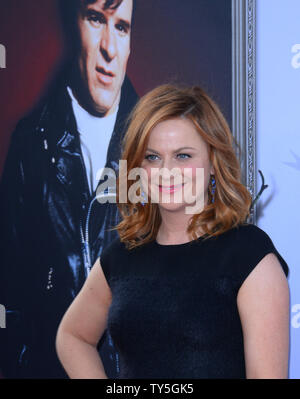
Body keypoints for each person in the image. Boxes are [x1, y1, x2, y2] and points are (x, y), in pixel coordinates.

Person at [55, 84, 290, 379]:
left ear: (214, 161)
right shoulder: (123, 255)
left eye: (183, 156)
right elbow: (73, 336)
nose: (167, 171)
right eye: (153, 157)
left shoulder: (249, 255)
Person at [0, 0, 137, 379]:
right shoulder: (31, 144)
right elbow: (9, 301)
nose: (110, 47)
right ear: (70, 26)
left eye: (122, 27)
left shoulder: (161, 146)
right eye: (96, 19)